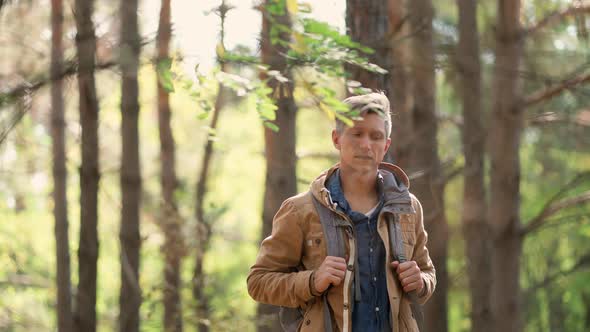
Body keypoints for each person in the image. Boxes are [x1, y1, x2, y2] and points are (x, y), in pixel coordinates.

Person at [247, 92, 436, 332]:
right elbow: (258, 282)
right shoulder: (299, 210)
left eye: (376, 136)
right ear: (337, 139)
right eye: (356, 133)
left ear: (386, 145)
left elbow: (427, 272)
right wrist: (313, 281)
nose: (366, 144)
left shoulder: (408, 207)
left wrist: (421, 282)